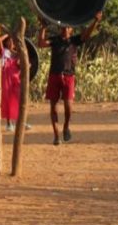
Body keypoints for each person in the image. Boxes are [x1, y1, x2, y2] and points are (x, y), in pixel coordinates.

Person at [37, 11, 102, 146]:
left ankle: (66, 127)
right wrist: (43, 27)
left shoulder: (74, 41)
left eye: (68, 27)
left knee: (68, 107)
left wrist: (95, 21)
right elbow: (41, 43)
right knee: (54, 108)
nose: (65, 29)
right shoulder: (55, 40)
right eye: (63, 27)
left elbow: (86, 35)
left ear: (71, 30)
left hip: (68, 77)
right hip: (54, 76)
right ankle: (56, 136)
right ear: (61, 29)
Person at [0, 34, 25, 131]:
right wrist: (9, 33)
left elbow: (22, 66)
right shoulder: (4, 52)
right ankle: (9, 123)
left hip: (16, 79)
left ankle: (20, 122)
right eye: (9, 41)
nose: (11, 43)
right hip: (6, 78)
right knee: (7, 100)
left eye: (13, 41)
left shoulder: (18, 54)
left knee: (18, 100)